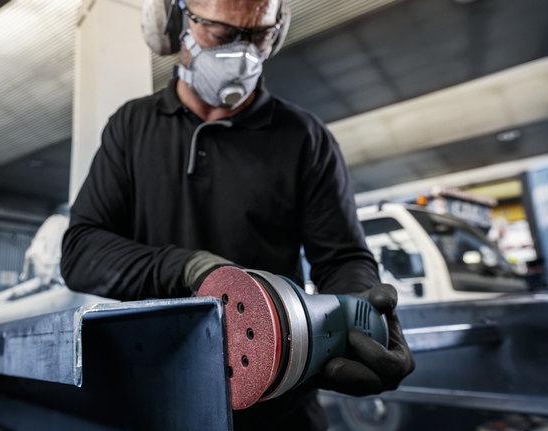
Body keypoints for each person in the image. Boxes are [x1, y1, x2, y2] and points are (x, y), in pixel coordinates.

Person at [60, 0, 415, 428]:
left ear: (277, 31)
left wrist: (360, 319)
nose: (242, 54)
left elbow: (342, 257)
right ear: (175, 27)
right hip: (155, 394)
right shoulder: (132, 126)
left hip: (278, 401)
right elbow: (82, 251)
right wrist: (190, 268)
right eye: (222, 33)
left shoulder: (304, 136)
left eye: (257, 35)